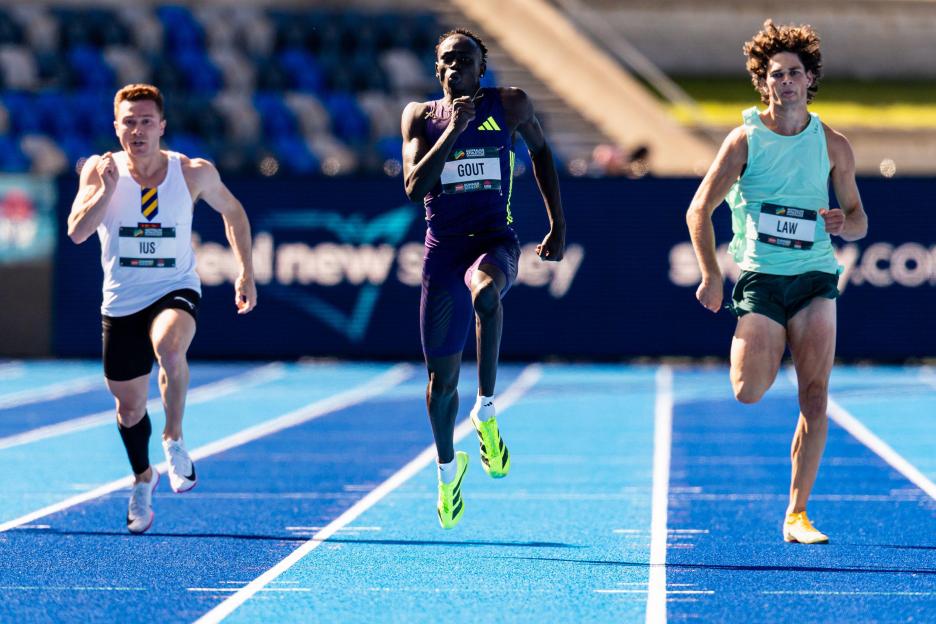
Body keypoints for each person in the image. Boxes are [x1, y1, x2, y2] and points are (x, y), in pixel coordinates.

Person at [686, 21, 867, 544]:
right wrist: (711, 275)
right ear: (763, 83)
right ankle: (765, 341)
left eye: (794, 73)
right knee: (748, 391)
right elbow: (699, 210)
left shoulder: (833, 144)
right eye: (775, 74)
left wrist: (842, 223)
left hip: (814, 278)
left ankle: (797, 513)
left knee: (815, 396)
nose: (785, 82)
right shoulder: (744, 140)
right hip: (762, 281)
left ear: (810, 79)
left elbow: (859, 219)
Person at [67, 84, 257, 534]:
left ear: (162, 127)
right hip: (121, 302)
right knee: (129, 409)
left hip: (174, 288)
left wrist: (246, 271)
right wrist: (104, 193)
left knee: (170, 348)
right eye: (128, 122)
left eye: (146, 121)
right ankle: (142, 478)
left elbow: (235, 213)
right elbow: (77, 232)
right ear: (116, 128)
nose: (137, 130)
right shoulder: (100, 170)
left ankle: (173, 437)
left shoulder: (191, 172)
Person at [401, 29, 565, 528]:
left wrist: (558, 222)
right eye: (447, 62)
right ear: (438, 70)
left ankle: (487, 409)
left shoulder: (510, 104)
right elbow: (413, 187)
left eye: (465, 61)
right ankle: (448, 471)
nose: (455, 69)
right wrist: (453, 131)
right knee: (439, 382)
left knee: (487, 292)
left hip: (494, 240)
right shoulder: (421, 117)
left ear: (482, 66)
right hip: (442, 253)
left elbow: (540, 153)